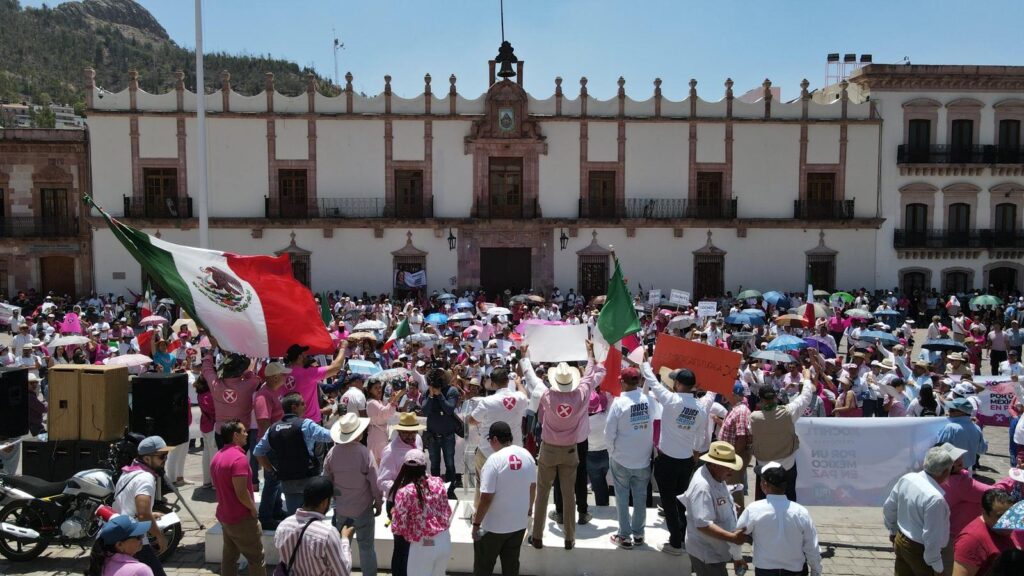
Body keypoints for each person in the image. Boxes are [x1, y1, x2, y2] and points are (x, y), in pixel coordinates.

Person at [530, 340, 601, 550]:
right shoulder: (581, 394)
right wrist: (590, 354)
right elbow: (589, 375)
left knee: (542, 494)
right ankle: (569, 538)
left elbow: (531, 378)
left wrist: (525, 359)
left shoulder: (547, 395)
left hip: (549, 450)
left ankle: (537, 536)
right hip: (570, 451)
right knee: (569, 495)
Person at [642, 364, 709, 556]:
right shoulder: (701, 409)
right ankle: (683, 535)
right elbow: (700, 437)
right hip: (686, 461)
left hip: (668, 461)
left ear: (678, 384)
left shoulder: (671, 400)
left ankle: (675, 542)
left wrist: (646, 363)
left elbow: (653, 382)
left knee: (669, 502)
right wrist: (695, 454)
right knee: (680, 501)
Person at [734, 461, 823, 576]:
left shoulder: (754, 509)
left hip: (765, 570)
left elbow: (737, 536)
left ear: (764, 484)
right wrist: (816, 571)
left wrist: (737, 557)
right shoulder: (801, 512)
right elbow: (812, 547)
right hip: (795, 571)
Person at [472, 422, 537, 576]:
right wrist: (528, 511)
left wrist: (476, 524)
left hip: (493, 528)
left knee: (483, 568)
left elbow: (486, 498)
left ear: (494, 439)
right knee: (511, 566)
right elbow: (532, 487)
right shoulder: (526, 455)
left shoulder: (493, 461)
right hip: (518, 525)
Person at [253, 392, 333, 515]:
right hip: (309, 480)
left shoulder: (273, 428)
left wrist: (272, 470)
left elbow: (258, 452)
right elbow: (330, 436)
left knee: (294, 518)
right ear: (294, 407)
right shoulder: (306, 424)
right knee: (312, 518)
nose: (305, 406)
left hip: (287, 481)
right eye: (302, 403)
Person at [678, 441, 748, 576]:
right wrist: (732, 537)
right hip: (707, 554)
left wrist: (731, 505)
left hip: (717, 552)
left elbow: (717, 498)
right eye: (728, 467)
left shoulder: (716, 475)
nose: (732, 471)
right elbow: (703, 524)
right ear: (715, 465)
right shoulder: (702, 487)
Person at [323, 413, 380, 576]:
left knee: (340, 548)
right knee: (367, 548)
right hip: (363, 508)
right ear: (359, 433)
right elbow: (374, 482)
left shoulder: (332, 453)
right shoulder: (364, 453)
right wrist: (378, 502)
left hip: (341, 509)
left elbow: (326, 481)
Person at [883, 446, 954, 576]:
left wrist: (893, 530)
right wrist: (938, 567)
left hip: (901, 538)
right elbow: (931, 537)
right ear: (945, 472)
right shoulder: (935, 499)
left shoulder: (908, 478)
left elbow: (889, 507)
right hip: (920, 551)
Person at [604, 366, 654, 549]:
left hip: (622, 459)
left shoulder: (619, 403)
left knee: (622, 497)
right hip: (643, 459)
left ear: (623, 382)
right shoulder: (649, 401)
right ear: (639, 381)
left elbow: (608, 434)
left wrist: (612, 452)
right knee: (640, 497)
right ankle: (639, 534)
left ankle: (624, 536)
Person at [750, 365, 816, 502]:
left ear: (760, 400)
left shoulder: (753, 417)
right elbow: (806, 397)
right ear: (775, 398)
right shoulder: (788, 412)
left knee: (764, 501)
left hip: (764, 465)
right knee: (789, 499)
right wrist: (807, 378)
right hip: (787, 465)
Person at [210, 419, 266, 576]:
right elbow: (241, 492)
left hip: (225, 515)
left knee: (229, 556)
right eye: (243, 431)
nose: (247, 434)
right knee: (256, 558)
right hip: (241, 518)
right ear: (235, 435)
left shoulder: (217, 456)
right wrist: (252, 509)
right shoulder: (239, 459)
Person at [111, 436, 173, 576]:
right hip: (132, 539)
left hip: (121, 534)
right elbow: (143, 514)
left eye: (166, 456)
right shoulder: (145, 478)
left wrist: (152, 514)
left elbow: (126, 504)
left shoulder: (129, 472)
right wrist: (159, 537)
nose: (165, 461)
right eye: (162, 456)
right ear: (147, 459)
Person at [469, 366, 528, 507]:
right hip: (514, 451)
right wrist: (519, 383)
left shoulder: (487, 402)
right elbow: (524, 394)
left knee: (482, 484)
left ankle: (479, 515)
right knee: (511, 486)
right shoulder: (520, 398)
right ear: (508, 381)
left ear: (493, 384)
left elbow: (472, 421)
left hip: (488, 450)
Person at [389, 448, 453, 576]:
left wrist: (393, 513)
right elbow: (447, 510)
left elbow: (398, 527)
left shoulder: (405, 492)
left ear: (405, 468)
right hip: (444, 540)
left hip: (422, 546)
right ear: (425, 466)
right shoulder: (439, 482)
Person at [274, 476, 354, 576]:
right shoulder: (328, 533)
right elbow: (343, 573)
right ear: (324, 502)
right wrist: (345, 540)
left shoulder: (283, 525)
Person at [379, 412, 426, 576]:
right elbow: (383, 481)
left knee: (415, 546)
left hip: (419, 502)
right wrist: (406, 493)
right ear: (399, 431)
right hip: (399, 505)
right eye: (406, 432)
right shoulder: (390, 451)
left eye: (413, 431)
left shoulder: (418, 440)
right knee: (401, 547)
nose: (411, 435)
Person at [253, 361, 288, 528]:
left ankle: (276, 509)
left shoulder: (271, 392)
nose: (285, 377)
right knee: (272, 480)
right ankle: (266, 517)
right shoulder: (263, 395)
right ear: (275, 377)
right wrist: (273, 443)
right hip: (270, 445)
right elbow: (263, 422)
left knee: (276, 480)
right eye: (282, 374)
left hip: (275, 443)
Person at [952, 489, 1015, 576]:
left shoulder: (1004, 529)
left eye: (1011, 515)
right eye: (1000, 517)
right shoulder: (971, 541)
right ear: (985, 513)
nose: (1008, 522)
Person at [284, 343, 347, 424]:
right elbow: (336, 368)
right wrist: (343, 348)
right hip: (310, 423)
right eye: (304, 353)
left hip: (289, 422)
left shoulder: (282, 375)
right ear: (299, 356)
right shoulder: (307, 373)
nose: (306, 355)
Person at [422, 368, 460, 497]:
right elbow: (425, 411)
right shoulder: (428, 392)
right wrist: (432, 396)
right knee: (434, 465)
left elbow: (449, 409)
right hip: (432, 436)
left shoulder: (452, 391)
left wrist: (440, 395)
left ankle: (450, 491)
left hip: (448, 436)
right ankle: (435, 491)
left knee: (450, 463)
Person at [85, 514, 154, 576]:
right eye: (139, 536)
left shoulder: (100, 564)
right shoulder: (140, 570)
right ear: (120, 545)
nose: (142, 538)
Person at [719, 381, 752, 509]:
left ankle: (738, 522)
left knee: (734, 489)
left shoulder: (741, 410)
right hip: (731, 456)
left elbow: (742, 438)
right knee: (731, 488)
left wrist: (734, 459)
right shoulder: (735, 408)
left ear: (733, 394)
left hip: (735, 456)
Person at [938, 398, 988, 474]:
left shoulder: (950, 427)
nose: (949, 411)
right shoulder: (976, 428)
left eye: (952, 410)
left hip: (950, 470)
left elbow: (940, 450)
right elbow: (982, 450)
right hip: (968, 470)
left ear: (961, 412)